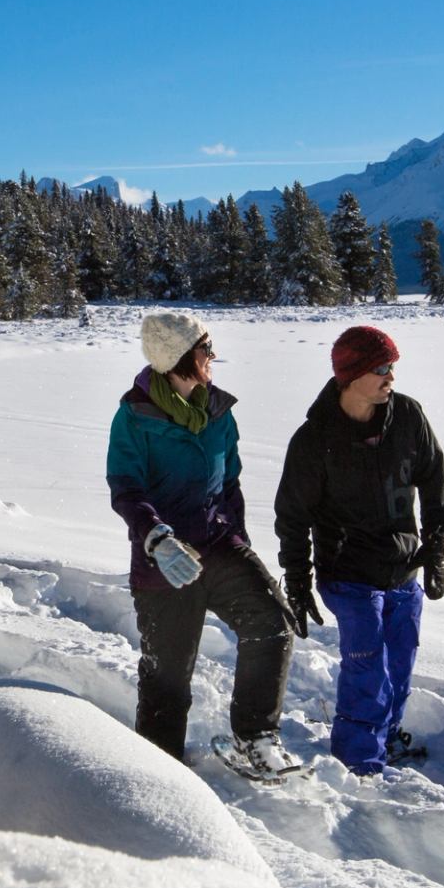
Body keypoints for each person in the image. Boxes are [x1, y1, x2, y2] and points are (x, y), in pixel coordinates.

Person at [106, 311, 299, 775]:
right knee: (167, 678)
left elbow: (229, 484)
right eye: (203, 348)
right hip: (163, 562)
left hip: (218, 544)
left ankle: (255, 738)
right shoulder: (133, 417)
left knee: (272, 624)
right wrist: (157, 538)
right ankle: (158, 770)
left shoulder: (219, 411)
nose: (212, 356)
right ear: (177, 357)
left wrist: (241, 544)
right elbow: (126, 490)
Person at [275, 325, 444, 776]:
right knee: (368, 667)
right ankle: (358, 762)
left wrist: (436, 547)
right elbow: (293, 517)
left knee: (400, 663)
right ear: (350, 375)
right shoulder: (314, 440)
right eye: (380, 367)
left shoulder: (408, 416)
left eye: (392, 365)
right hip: (347, 571)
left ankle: (386, 739)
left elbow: (435, 482)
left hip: (403, 566)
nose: (390, 374)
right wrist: (297, 582)